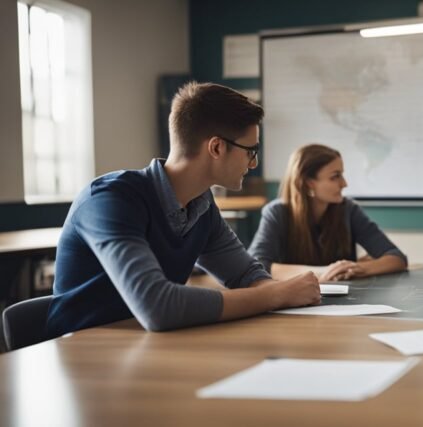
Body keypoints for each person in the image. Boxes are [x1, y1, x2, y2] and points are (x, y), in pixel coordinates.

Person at [47, 82, 321, 335]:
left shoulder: (201, 204)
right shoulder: (111, 200)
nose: (253, 164)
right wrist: (277, 294)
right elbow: (158, 307)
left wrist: (285, 291)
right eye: (250, 151)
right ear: (216, 147)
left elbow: (246, 276)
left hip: (143, 346)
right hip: (82, 352)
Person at [249, 144, 407, 281]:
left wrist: (357, 268)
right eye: (335, 177)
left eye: (342, 175)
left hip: (346, 305)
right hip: (294, 305)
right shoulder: (277, 213)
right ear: (308, 183)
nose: (344, 184)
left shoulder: (349, 210)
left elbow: (396, 257)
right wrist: (323, 272)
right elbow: (257, 264)